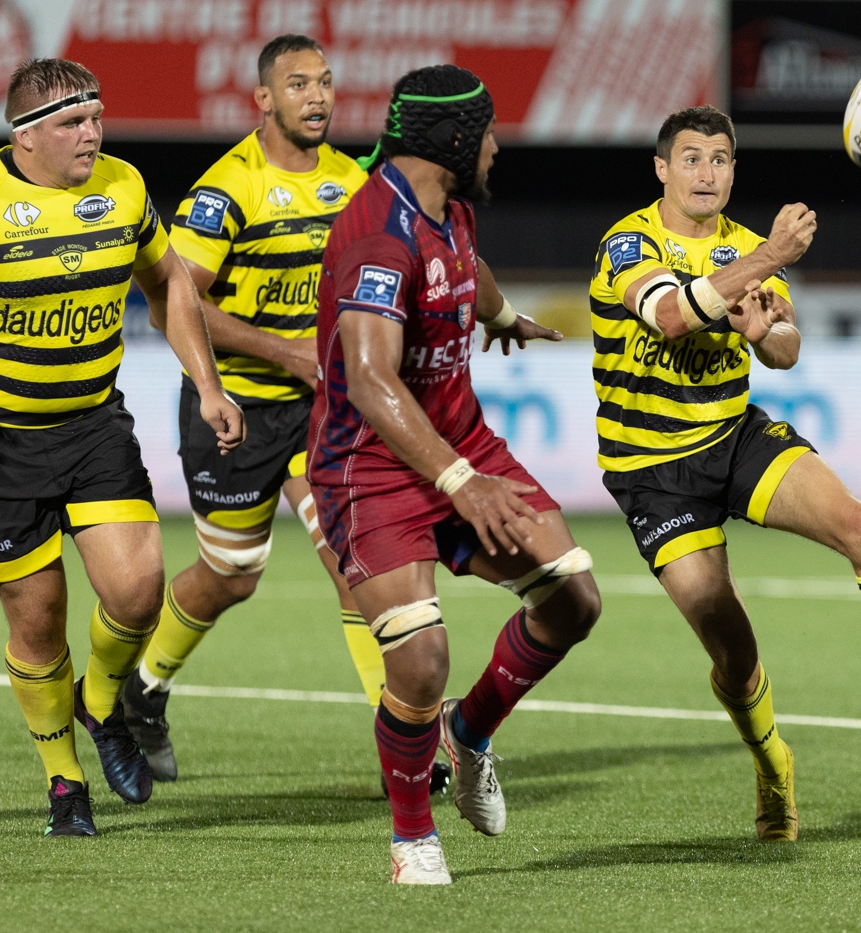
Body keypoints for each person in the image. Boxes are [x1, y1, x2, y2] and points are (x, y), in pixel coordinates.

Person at [589, 106, 861, 843]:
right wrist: (769, 257)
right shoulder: (629, 241)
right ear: (662, 169)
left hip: (733, 435)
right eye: (693, 159)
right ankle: (773, 762)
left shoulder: (742, 245)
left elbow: (787, 347)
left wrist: (768, 333)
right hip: (653, 469)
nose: (708, 173)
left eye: (722, 159)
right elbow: (670, 316)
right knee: (729, 644)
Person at [0, 59, 245, 836]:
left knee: (138, 590)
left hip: (90, 423)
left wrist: (208, 383)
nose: (92, 134)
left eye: (96, 119)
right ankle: (64, 784)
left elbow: (171, 283)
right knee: (38, 618)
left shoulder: (122, 186)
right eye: (72, 124)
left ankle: (99, 698)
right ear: (24, 137)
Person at [310, 65, 601, 884]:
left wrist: (503, 317)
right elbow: (369, 381)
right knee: (418, 660)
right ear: (452, 142)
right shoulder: (376, 232)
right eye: (490, 132)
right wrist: (458, 483)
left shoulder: (451, 205)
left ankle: (468, 733)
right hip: (367, 466)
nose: (499, 146)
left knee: (574, 598)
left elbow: (467, 265)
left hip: (457, 445)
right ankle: (412, 839)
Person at [118, 33, 404, 787]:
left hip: (323, 414)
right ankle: (142, 687)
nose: (317, 96)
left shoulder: (351, 180)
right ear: (263, 99)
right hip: (235, 409)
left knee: (357, 568)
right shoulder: (226, 190)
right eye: (299, 83)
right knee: (231, 573)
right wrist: (286, 353)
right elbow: (180, 304)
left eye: (326, 82)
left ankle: (404, 746)